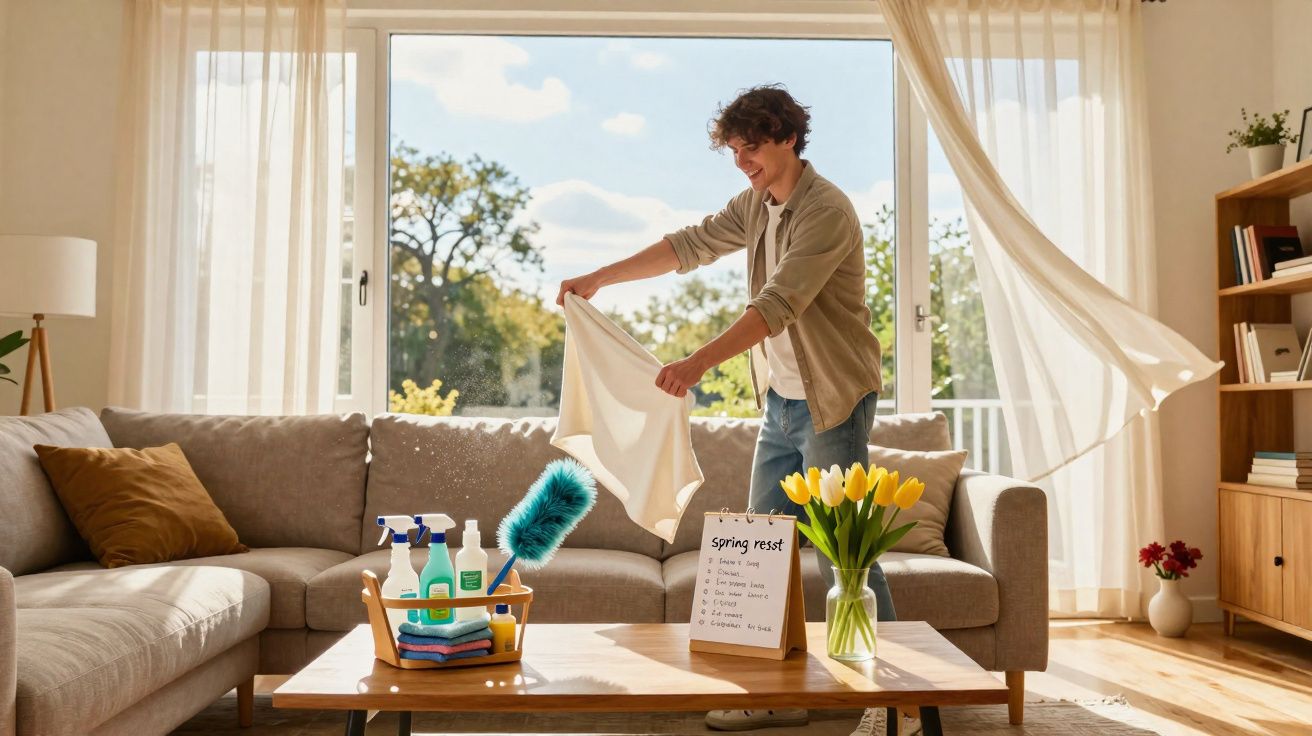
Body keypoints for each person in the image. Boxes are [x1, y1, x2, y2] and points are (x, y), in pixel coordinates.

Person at [557, 85, 908, 735]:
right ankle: (770, 691)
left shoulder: (826, 210)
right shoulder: (755, 206)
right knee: (759, 550)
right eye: (734, 149)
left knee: (847, 554)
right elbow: (686, 246)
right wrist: (599, 277)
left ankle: (899, 702)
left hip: (833, 401)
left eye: (752, 147)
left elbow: (778, 305)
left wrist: (696, 362)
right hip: (780, 403)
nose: (742, 159)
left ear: (787, 139)